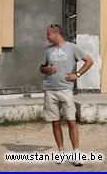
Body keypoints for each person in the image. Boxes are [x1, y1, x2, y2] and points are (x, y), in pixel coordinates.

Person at [39, 24, 93, 165]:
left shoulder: (72, 48)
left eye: (48, 34)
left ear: (57, 34)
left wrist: (77, 74)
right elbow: (41, 68)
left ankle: (76, 153)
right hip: (50, 90)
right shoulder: (48, 50)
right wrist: (46, 69)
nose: (47, 37)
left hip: (65, 90)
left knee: (71, 121)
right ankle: (61, 152)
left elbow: (89, 61)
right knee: (55, 122)